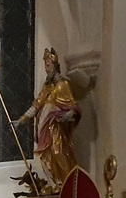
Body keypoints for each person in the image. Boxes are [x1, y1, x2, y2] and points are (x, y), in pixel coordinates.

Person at [15, 47, 81, 188]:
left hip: (57, 127)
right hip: (45, 128)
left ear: (55, 66)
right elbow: (37, 105)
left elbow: (73, 105)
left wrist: (70, 113)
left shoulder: (63, 84)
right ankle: (57, 183)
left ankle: (70, 184)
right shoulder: (47, 87)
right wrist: (22, 119)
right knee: (47, 157)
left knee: (59, 153)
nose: (46, 69)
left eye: (48, 65)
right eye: (45, 66)